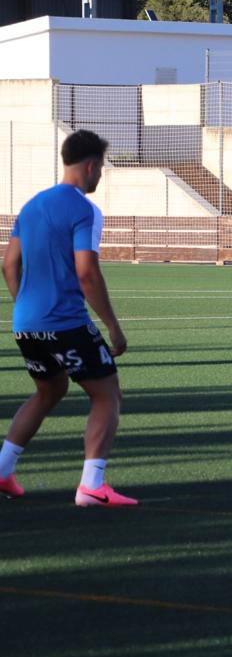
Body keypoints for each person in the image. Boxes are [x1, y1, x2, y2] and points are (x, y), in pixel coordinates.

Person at [0, 129, 136, 505]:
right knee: (107, 394)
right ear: (91, 166)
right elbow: (87, 273)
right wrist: (113, 326)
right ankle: (92, 485)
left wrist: (28, 307)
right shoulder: (83, 209)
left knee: (50, 389)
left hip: (26, 324)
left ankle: (2, 470)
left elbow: (9, 264)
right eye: (102, 168)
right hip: (65, 322)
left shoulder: (31, 206)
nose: (101, 176)